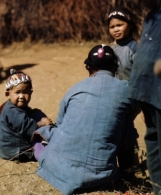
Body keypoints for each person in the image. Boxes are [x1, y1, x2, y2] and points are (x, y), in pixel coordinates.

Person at [32, 45, 140, 195]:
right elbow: (135, 108)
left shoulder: (76, 88)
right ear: (116, 67)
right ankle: (127, 170)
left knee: (47, 132)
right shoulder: (126, 89)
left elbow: (61, 122)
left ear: (88, 67)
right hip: (100, 177)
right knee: (126, 122)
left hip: (56, 169)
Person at [128, 0, 161, 194]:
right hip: (152, 85)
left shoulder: (153, 15)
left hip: (145, 82)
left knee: (154, 138)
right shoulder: (153, 16)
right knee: (155, 138)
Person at [0, 69, 52, 162]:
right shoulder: (13, 112)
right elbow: (29, 129)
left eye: (25, 92)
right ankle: (44, 154)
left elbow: (27, 114)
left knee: (35, 112)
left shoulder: (13, 106)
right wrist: (42, 124)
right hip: (15, 150)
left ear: (31, 93)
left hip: (6, 145)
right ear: (8, 94)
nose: (22, 96)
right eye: (17, 92)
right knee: (40, 141)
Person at [108, 7, 141, 172]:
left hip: (132, 96)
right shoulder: (110, 48)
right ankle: (131, 163)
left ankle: (130, 164)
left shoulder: (134, 48)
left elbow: (143, 74)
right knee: (123, 126)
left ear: (130, 25)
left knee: (124, 125)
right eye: (112, 26)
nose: (116, 29)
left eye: (120, 25)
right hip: (116, 95)